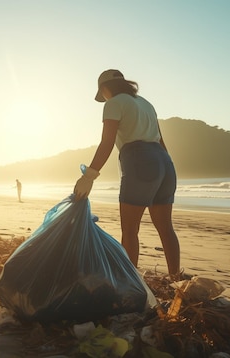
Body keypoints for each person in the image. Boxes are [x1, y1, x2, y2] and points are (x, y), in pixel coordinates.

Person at [73, 69, 181, 277]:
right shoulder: (146, 103)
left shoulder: (113, 103)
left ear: (105, 88)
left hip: (140, 160)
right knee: (166, 229)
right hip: (165, 162)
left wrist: (89, 176)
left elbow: (107, 142)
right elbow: (160, 140)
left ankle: (131, 282)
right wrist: (164, 170)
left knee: (130, 230)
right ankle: (176, 280)